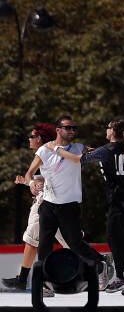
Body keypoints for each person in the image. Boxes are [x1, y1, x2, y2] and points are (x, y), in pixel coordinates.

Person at [22, 115, 111, 290]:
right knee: (44, 245)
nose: (72, 131)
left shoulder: (78, 148)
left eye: (73, 128)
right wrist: (31, 183)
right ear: (58, 130)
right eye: (68, 128)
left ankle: (101, 264)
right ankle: (44, 283)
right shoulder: (44, 150)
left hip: (69, 206)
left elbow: (97, 153)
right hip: (48, 205)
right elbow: (29, 173)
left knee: (75, 244)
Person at [57, 118, 124, 293]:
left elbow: (77, 159)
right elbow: (105, 155)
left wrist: (57, 149)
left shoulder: (107, 150)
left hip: (118, 201)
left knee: (114, 238)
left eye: (108, 127)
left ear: (112, 132)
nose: (106, 129)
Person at [3, 123, 66, 295]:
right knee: (70, 242)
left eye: (31, 137)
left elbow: (51, 181)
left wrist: (30, 182)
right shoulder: (47, 154)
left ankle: (25, 280)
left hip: (46, 203)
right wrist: (26, 181)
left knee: (32, 239)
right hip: (49, 202)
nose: (28, 140)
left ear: (38, 138)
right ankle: (99, 264)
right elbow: (42, 180)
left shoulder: (47, 153)